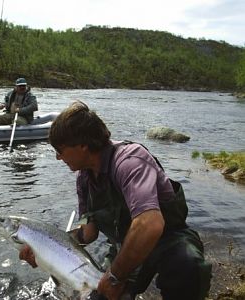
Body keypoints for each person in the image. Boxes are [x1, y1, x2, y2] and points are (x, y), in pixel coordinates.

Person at [19, 101, 212, 300]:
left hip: (168, 240)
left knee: (187, 266)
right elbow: (88, 232)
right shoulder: (84, 179)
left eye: (60, 150)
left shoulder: (129, 161)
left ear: (83, 146)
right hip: (125, 247)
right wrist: (44, 250)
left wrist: (114, 277)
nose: (58, 157)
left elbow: (150, 225)